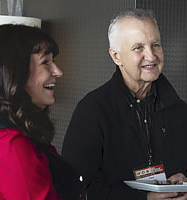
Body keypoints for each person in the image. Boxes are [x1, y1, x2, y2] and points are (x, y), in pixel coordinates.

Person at [62, 8, 187, 200]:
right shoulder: (92, 111)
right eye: (138, 48)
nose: (151, 56)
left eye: (156, 45)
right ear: (116, 56)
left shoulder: (180, 110)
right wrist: (144, 199)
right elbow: (75, 189)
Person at [0, 24, 85, 200]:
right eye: (45, 62)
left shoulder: (8, 131)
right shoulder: (10, 145)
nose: (58, 72)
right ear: (15, 72)